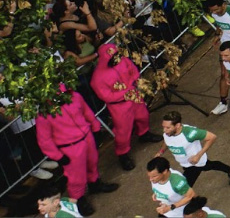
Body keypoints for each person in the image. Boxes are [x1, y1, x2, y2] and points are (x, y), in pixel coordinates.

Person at [36, 89, 118, 217]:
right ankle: (78, 201)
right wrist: (58, 156)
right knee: (76, 177)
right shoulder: (44, 114)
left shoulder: (74, 96)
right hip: (70, 147)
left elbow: (87, 111)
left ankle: (95, 184)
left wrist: (95, 127)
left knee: (93, 163)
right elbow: (44, 140)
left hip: (86, 137)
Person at [89, 43, 159, 170]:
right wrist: (126, 93)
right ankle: (123, 154)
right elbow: (106, 96)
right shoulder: (97, 78)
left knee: (143, 116)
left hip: (134, 97)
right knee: (123, 131)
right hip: (119, 106)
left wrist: (132, 84)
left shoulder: (123, 60)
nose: (117, 58)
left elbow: (134, 71)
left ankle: (144, 134)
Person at [154, 111, 230, 188]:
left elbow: (212, 137)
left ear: (177, 125)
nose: (164, 130)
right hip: (185, 163)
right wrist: (161, 152)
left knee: (184, 188)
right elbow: (167, 140)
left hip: (194, 164)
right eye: (163, 127)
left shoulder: (190, 133)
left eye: (167, 128)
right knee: (209, 165)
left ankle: (193, 204)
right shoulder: (168, 133)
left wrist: (198, 156)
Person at [146, 156, 211, 218]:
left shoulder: (177, 182)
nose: (151, 179)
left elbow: (190, 195)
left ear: (165, 172)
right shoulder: (155, 179)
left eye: (154, 176)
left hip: (180, 213)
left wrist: (171, 207)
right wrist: (157, 194)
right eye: (149, 176)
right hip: (166, 211)